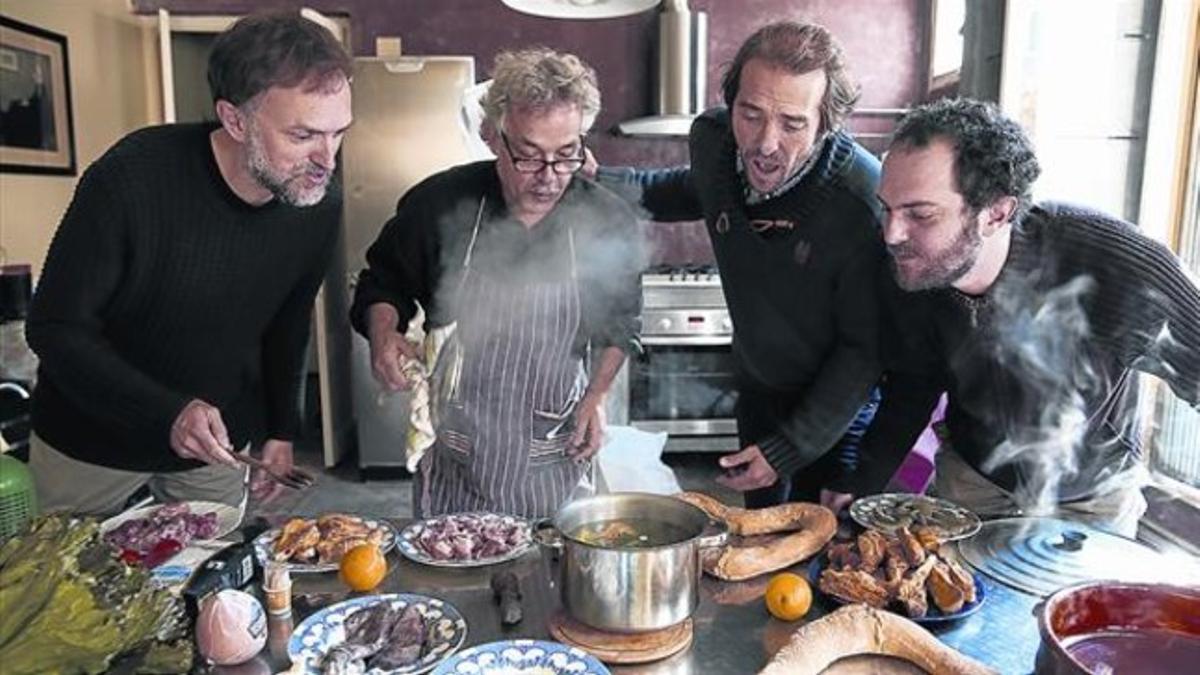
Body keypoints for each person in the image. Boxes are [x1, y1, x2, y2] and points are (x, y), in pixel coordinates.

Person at [26, 11, 353, 516]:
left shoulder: (318, 203)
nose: (327, 161)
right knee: (79, 587)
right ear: (235, 119)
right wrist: (168, 413)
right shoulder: (131, 178)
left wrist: (279, 429)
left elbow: (287, 321)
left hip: (216, 443)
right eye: (304, 135)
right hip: (90, 442)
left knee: (210, 584)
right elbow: (53, 327)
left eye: (337, 134)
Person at [828, 98, 1200, 537]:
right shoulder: (910, 268)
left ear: (997, 213)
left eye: (920, 214)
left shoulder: (1117, 264)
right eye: (887, 208)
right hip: (972, 481)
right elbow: (913, 382)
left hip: (1092, 497)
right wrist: (864, 479)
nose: (892, 234)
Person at [594, 22, 884, 509]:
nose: (765, 143)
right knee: (760, 544)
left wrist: (788, 450)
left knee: (829, 557)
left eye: (792, 123)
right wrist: (593, 179)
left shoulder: (862, 201)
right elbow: (690, 189)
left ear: (826, 124)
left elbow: (863, 352)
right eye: (750, 114)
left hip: (838, 413)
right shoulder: (714, 140)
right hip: (758, 391)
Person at [350, 48, 643, 519]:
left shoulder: (606, 219)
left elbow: (620, 325)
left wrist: (595, 396)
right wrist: (384, 334)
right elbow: (382, 284)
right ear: (493, 137)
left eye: (567, 155)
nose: (549, 178)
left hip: (555, 456)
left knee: (552, 583)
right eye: (528, 157)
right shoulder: (440, 205)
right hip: (457, 460)